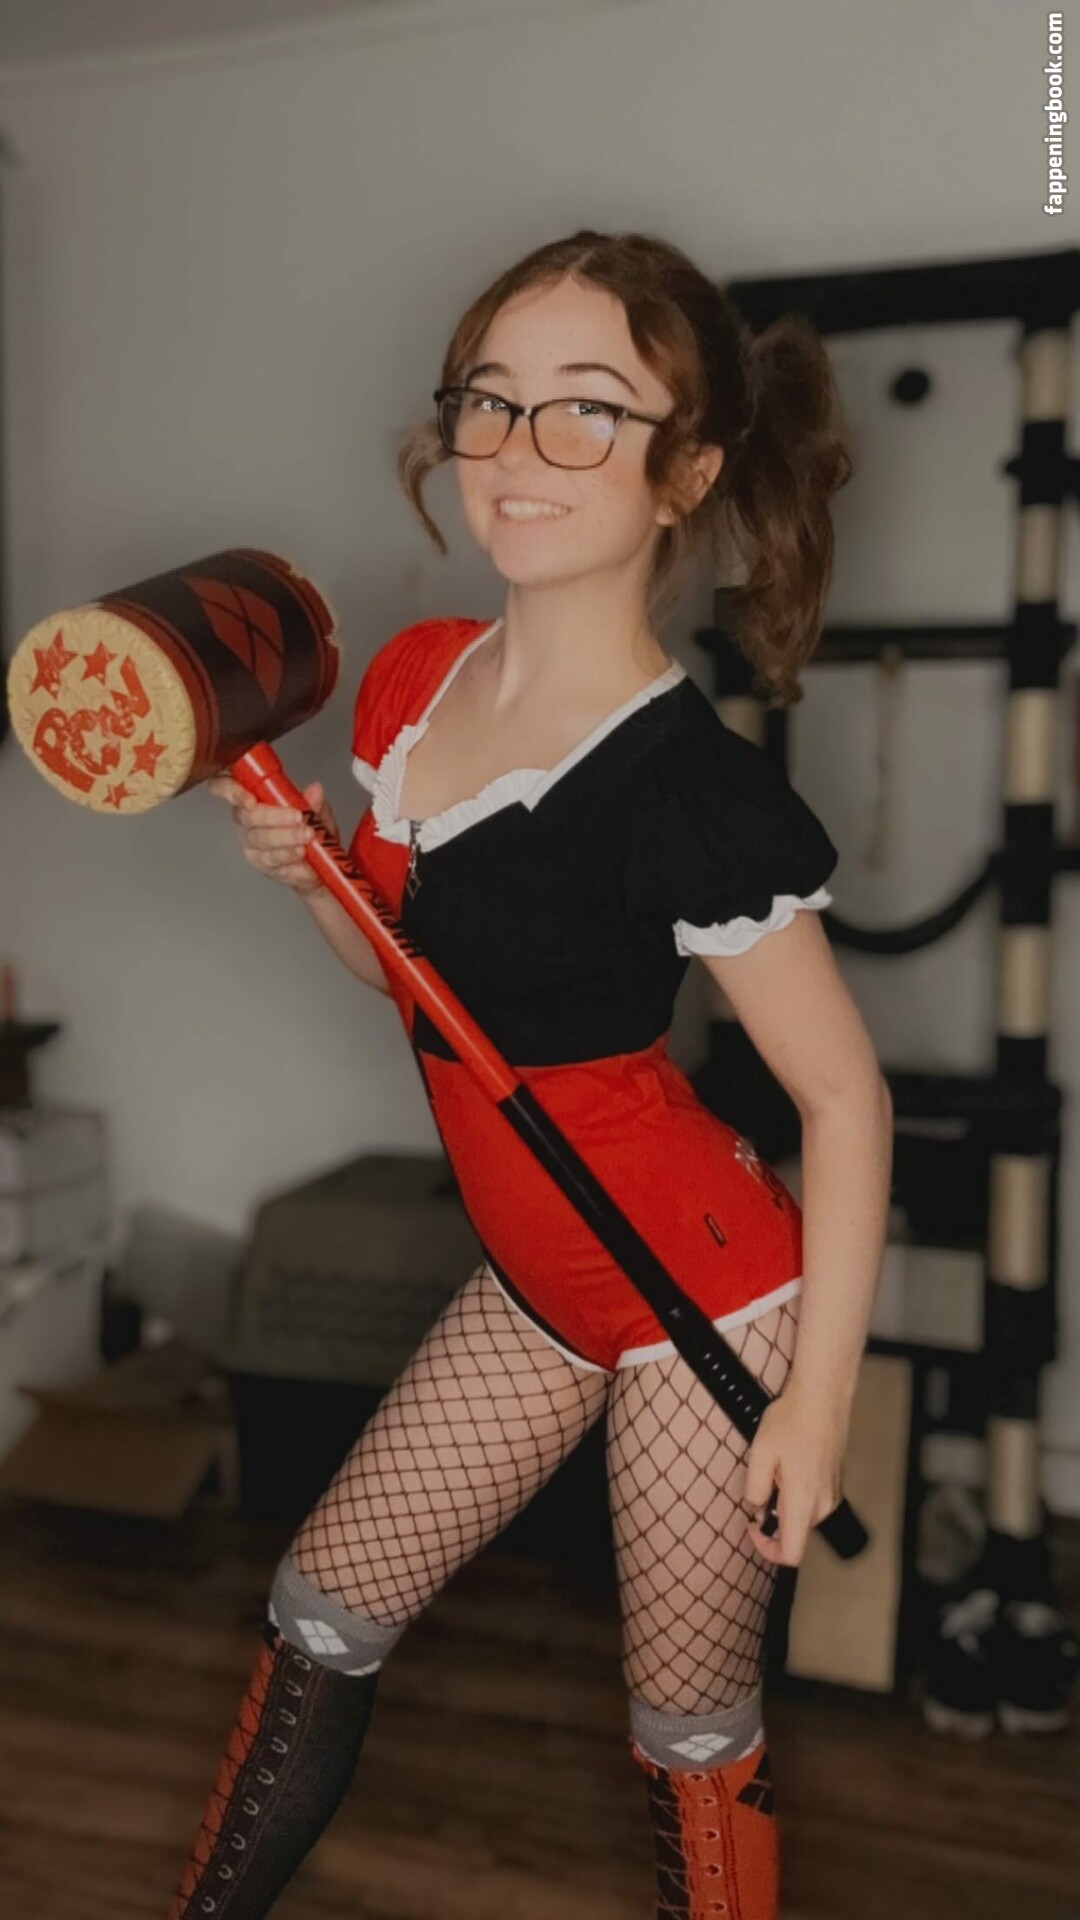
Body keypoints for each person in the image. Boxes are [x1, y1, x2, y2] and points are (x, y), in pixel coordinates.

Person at [167, 229, 893, 1920]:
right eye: (488, 402)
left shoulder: (684, 789)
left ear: (683, 472)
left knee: (687, 1727)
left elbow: (844, 1101)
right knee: (318, 1612)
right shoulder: (417, 683)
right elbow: (425, 992)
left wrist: (819, 1404)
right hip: (543, 1278)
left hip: (707, 1300)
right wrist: (318, 879)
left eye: (587, 410)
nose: (515, 449)